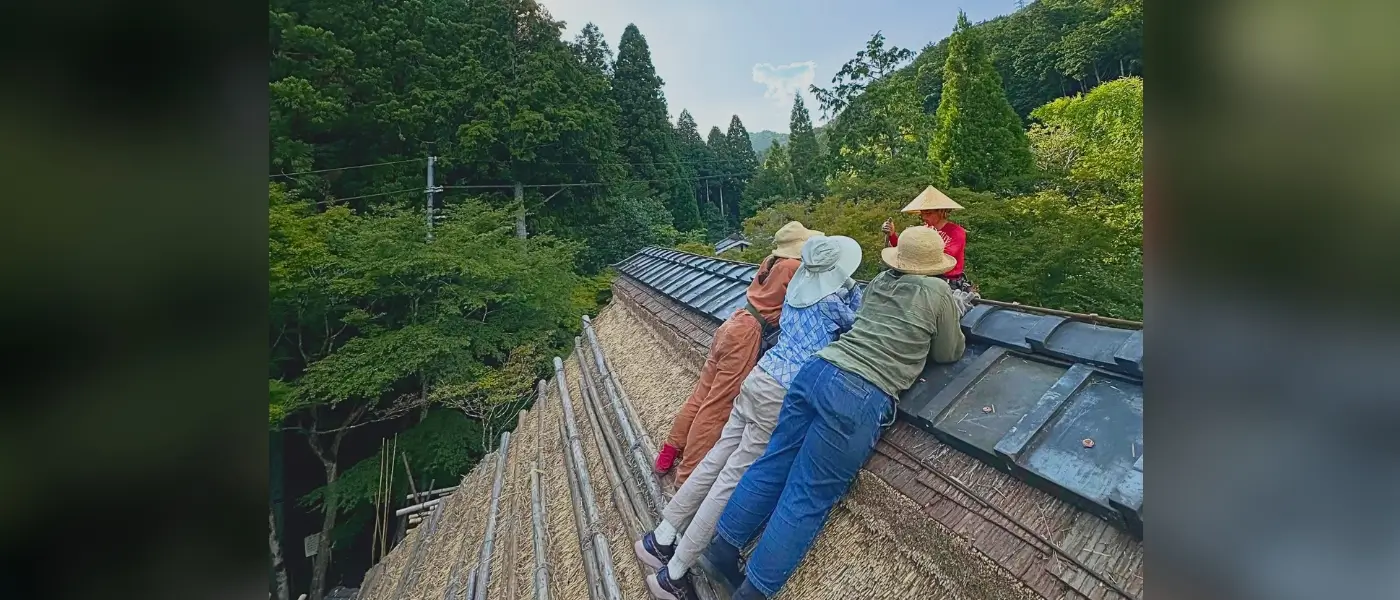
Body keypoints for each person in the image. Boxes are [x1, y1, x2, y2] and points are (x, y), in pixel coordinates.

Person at [701, 226, 967, 600]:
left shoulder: (878, 282)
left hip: (817, 370)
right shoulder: (938, 292)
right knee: (807, 493)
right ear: (936, 265)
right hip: (859, 392)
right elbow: (948, 351)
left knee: (773, 463)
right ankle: (753, 592)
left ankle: (722, 550)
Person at [635, 235, 864, 600]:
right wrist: (850, 286)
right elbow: (858, 319)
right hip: (782, 391)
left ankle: (660, 538)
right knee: (731, 479)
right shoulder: (832, 302)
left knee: (716, 460)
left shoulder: (797, 291)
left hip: (759, 377)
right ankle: (673, 574)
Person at [655, 221, 820, 484]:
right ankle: (687, 476)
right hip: (748, 333)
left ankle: (669, 451)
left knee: (702, 393)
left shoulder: (772, 260)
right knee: (717, 407)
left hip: (736, 321)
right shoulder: (793, 266)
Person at [882, 185, 971, 292]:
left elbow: (942, 256)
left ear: (941, 212)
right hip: (922, 279)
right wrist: (892, 235)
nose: (924, 217)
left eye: (928, 213)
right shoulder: (924, 230)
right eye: (922, 214)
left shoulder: (957, 232)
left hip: (947, 282)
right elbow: (907, 253)